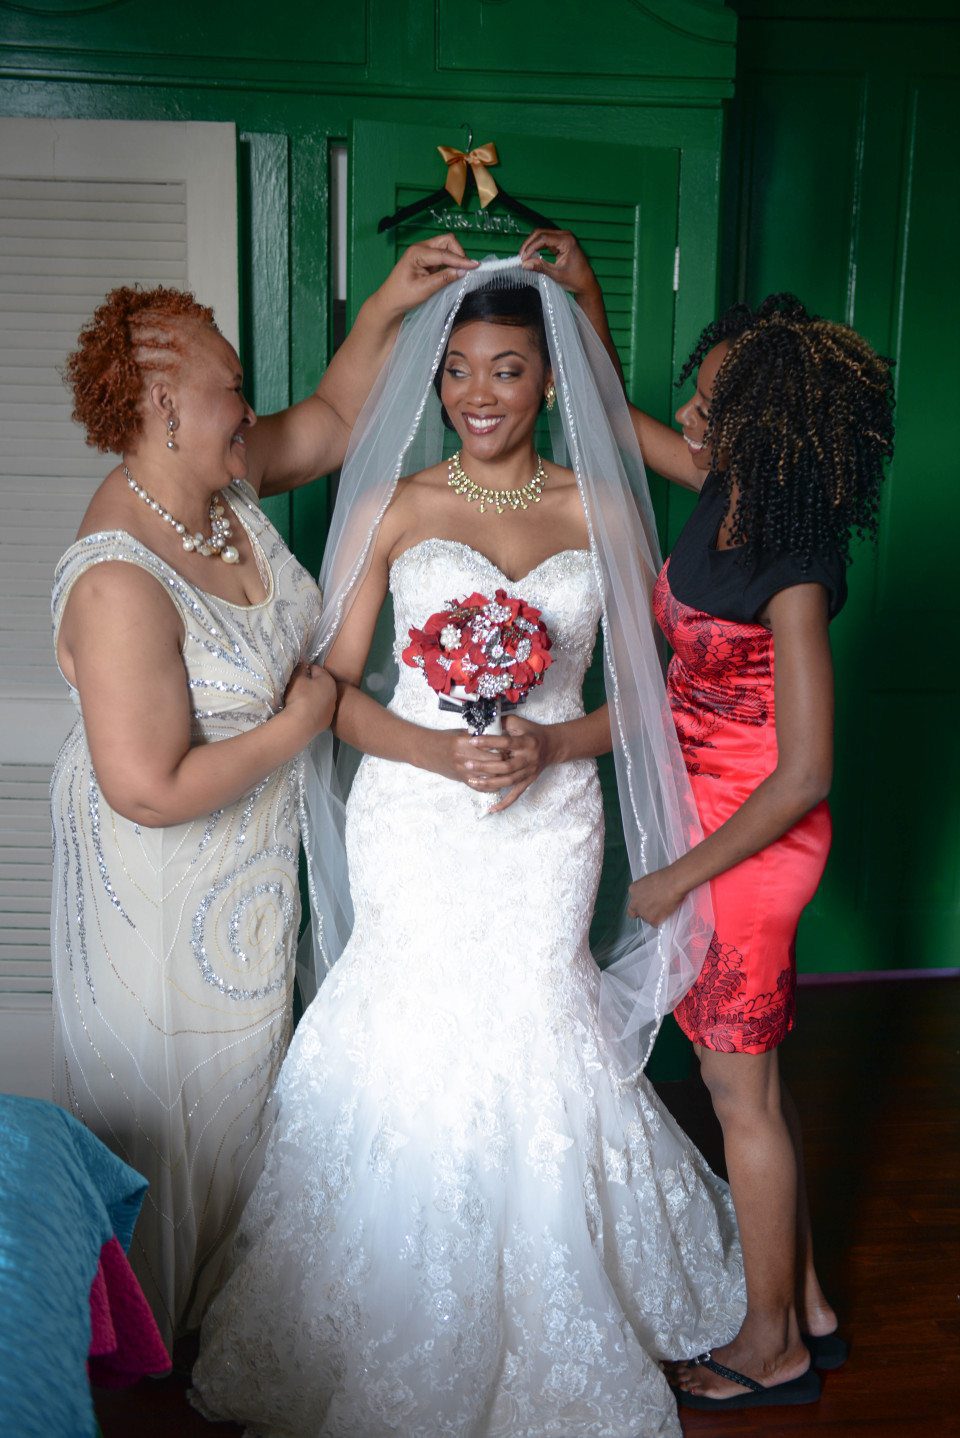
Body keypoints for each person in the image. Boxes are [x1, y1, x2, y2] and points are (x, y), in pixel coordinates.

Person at [190, 260, 746, 1436]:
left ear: (550, 382)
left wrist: (552, 745)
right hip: (415, 813)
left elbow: (649, 701)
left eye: (506, 370)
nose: (478, 395)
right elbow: (333, 691)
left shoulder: (604, 509)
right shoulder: (397, 506)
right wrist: (442, 754)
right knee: (413, 1015)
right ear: (435, 380)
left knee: (537, 1015)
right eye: (457, 372)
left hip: (551, 818)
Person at [50, 236, 477, 1350]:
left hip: (247, 873)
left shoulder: (221, 487)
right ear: (162, 406)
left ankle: (232, 1329)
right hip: (161, 892)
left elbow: (330, 421)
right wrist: (300, 725)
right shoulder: (118, 576)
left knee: (248, 1094)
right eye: (229, 386)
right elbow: (146, 788)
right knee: (180, 1116)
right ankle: (150, 1350)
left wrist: (389, 302)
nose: (248, 405)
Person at [520, 229, 895, 1410]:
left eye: (711, 404)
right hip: (704, 820)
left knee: (742, 1100)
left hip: (750, 846)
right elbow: (616, 418)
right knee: (758, 1088)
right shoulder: (729, 486)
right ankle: (809, 1304)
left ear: (766, 428)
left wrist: (678, 876)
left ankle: (770, 1346)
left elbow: (806, 772)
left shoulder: (795, 565)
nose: (689, 412)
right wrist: (582, 293)